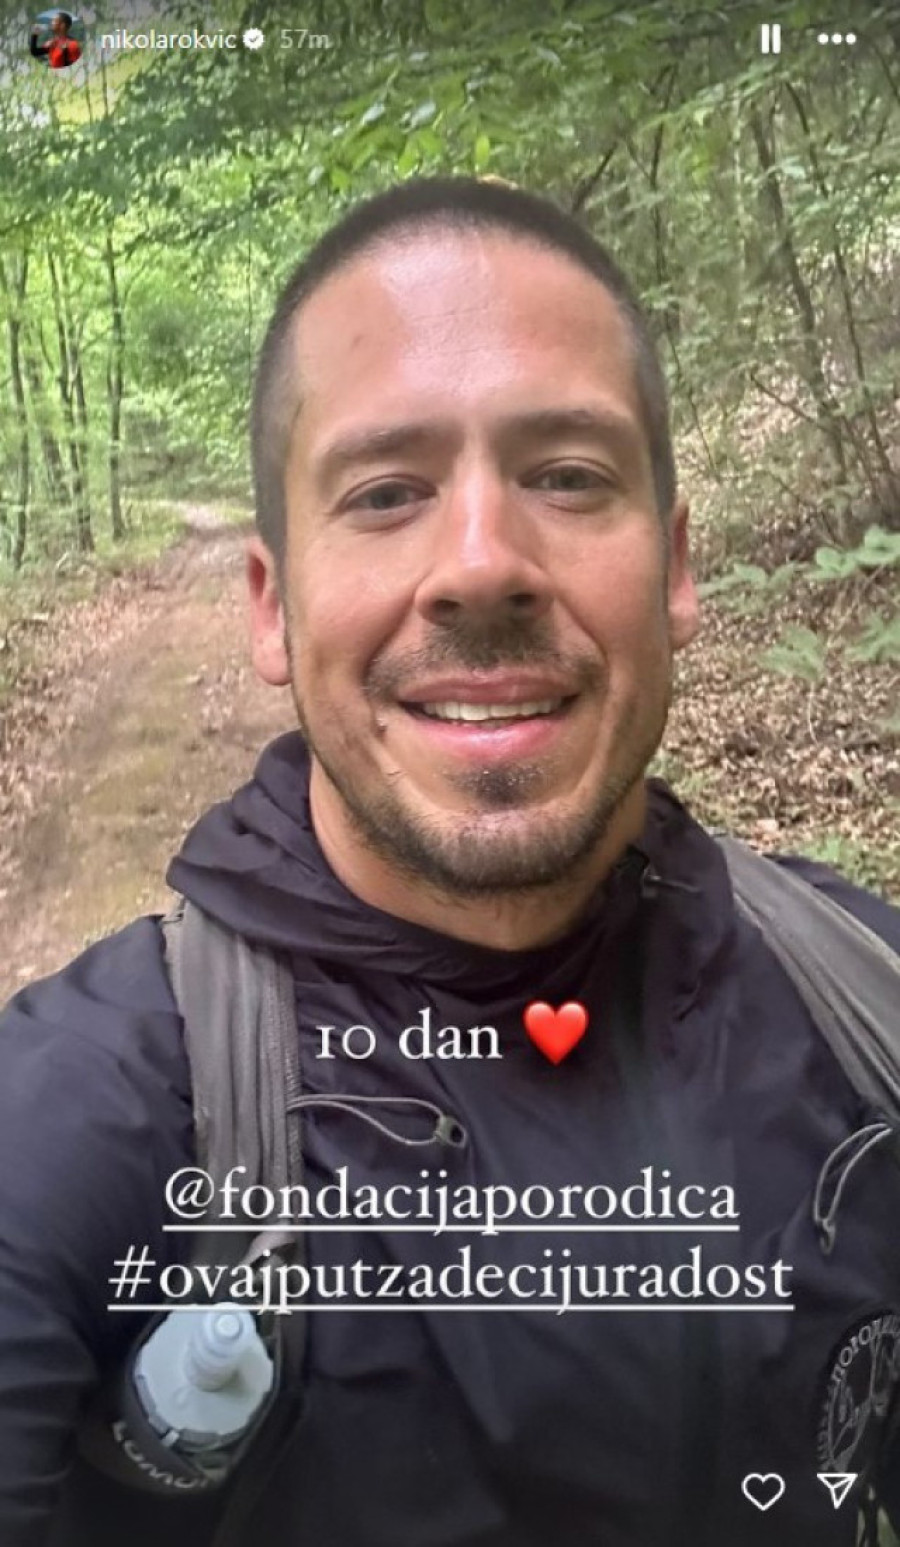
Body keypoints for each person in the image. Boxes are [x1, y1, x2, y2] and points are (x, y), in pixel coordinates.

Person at [0, 176, 899, 1547]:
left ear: (672, 571)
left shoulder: (868, 1006)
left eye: (567, 476)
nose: (481, 565)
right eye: (386, 492)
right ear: (273, 607)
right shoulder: (80, 1115)